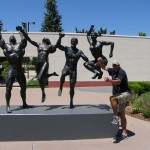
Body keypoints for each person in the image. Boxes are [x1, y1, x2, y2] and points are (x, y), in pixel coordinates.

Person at [21, 31, 65, 103]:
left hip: (45, 63)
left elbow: (57, 45)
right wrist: (23, 32)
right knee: (41, 78)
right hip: (38, 64)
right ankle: (43, 92)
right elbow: (30, 40)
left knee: (40, 77)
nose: (46, 39)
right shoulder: (39, 45)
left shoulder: (49, 46)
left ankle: (43, 93)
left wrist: (60, 37)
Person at [97, 57, 131, 140]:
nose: (114, 67)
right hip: (118, 95)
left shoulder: (121, 72)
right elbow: (104, 67)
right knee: (122, 114)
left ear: (119, 66)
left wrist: (109, 80)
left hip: (126, 93)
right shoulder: (112, 70)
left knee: (112, 99)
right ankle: (124, 132)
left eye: (116, 65)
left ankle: (115, 117)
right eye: (113, 65)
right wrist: (100, 62)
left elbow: (118, 81)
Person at [0, 25, 30, 113]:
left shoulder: (19, 46)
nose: (12, 37)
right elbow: (0, 40)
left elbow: (25, 39)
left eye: (13, 37)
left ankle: (24, 103)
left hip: (19, 70)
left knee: (23, 88)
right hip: (11, 69)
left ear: (15, 39)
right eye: (11, 37)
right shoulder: (6, 47)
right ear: (9, 40)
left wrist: (22, 29)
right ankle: (8, 106)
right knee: (8, 88)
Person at [57, 33, 89, 108]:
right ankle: (60, 88)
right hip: (67, 66)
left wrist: (83, 56)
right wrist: (60, 37)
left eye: (75, 41)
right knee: (63, 73)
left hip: (73, 70)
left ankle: (71, 102)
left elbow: (86, 59)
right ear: (70, 42)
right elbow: (58, 46)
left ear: (77, 43)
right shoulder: (67, 48)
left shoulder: (79, 51)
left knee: (72, 86)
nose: (73, 42)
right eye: (72, 41)